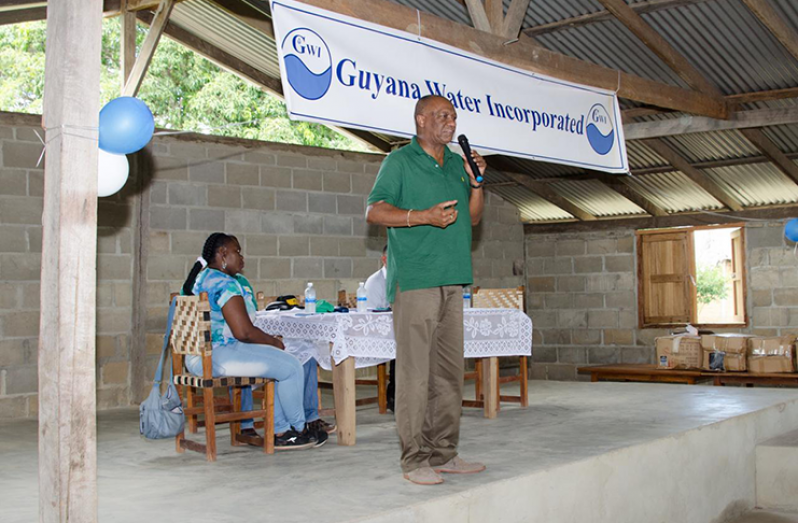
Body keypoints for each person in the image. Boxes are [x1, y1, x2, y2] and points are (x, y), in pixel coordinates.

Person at [366, 95, 487, 485]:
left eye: (452, 116)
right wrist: (422, 217)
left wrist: (476, 183)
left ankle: (444, 452)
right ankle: (414, 459)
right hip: (416, 280)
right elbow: (374, 210)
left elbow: (472, 218)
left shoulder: (456, 162)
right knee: (416, 376)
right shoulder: (399, 161)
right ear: (420, 120)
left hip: (454, 278)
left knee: (449, 376)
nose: (450, 122)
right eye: (441, 116)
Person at [180, 232, 329, 450]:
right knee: (291, 366)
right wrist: (273, 342)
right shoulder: (224, 283)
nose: (242, 258)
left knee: (279, 365)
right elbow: (244, 332)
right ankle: (297, 429)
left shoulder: (200, 278)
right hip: (217, 356)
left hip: (197, 356)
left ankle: (282, 430)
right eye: (237, 252)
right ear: (222, 254)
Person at [364, 245, 395, 411]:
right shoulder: (374, 282)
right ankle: (394, 397)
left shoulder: (404, 279)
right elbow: (369, 318)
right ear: (385, 259)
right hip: (378, 334)